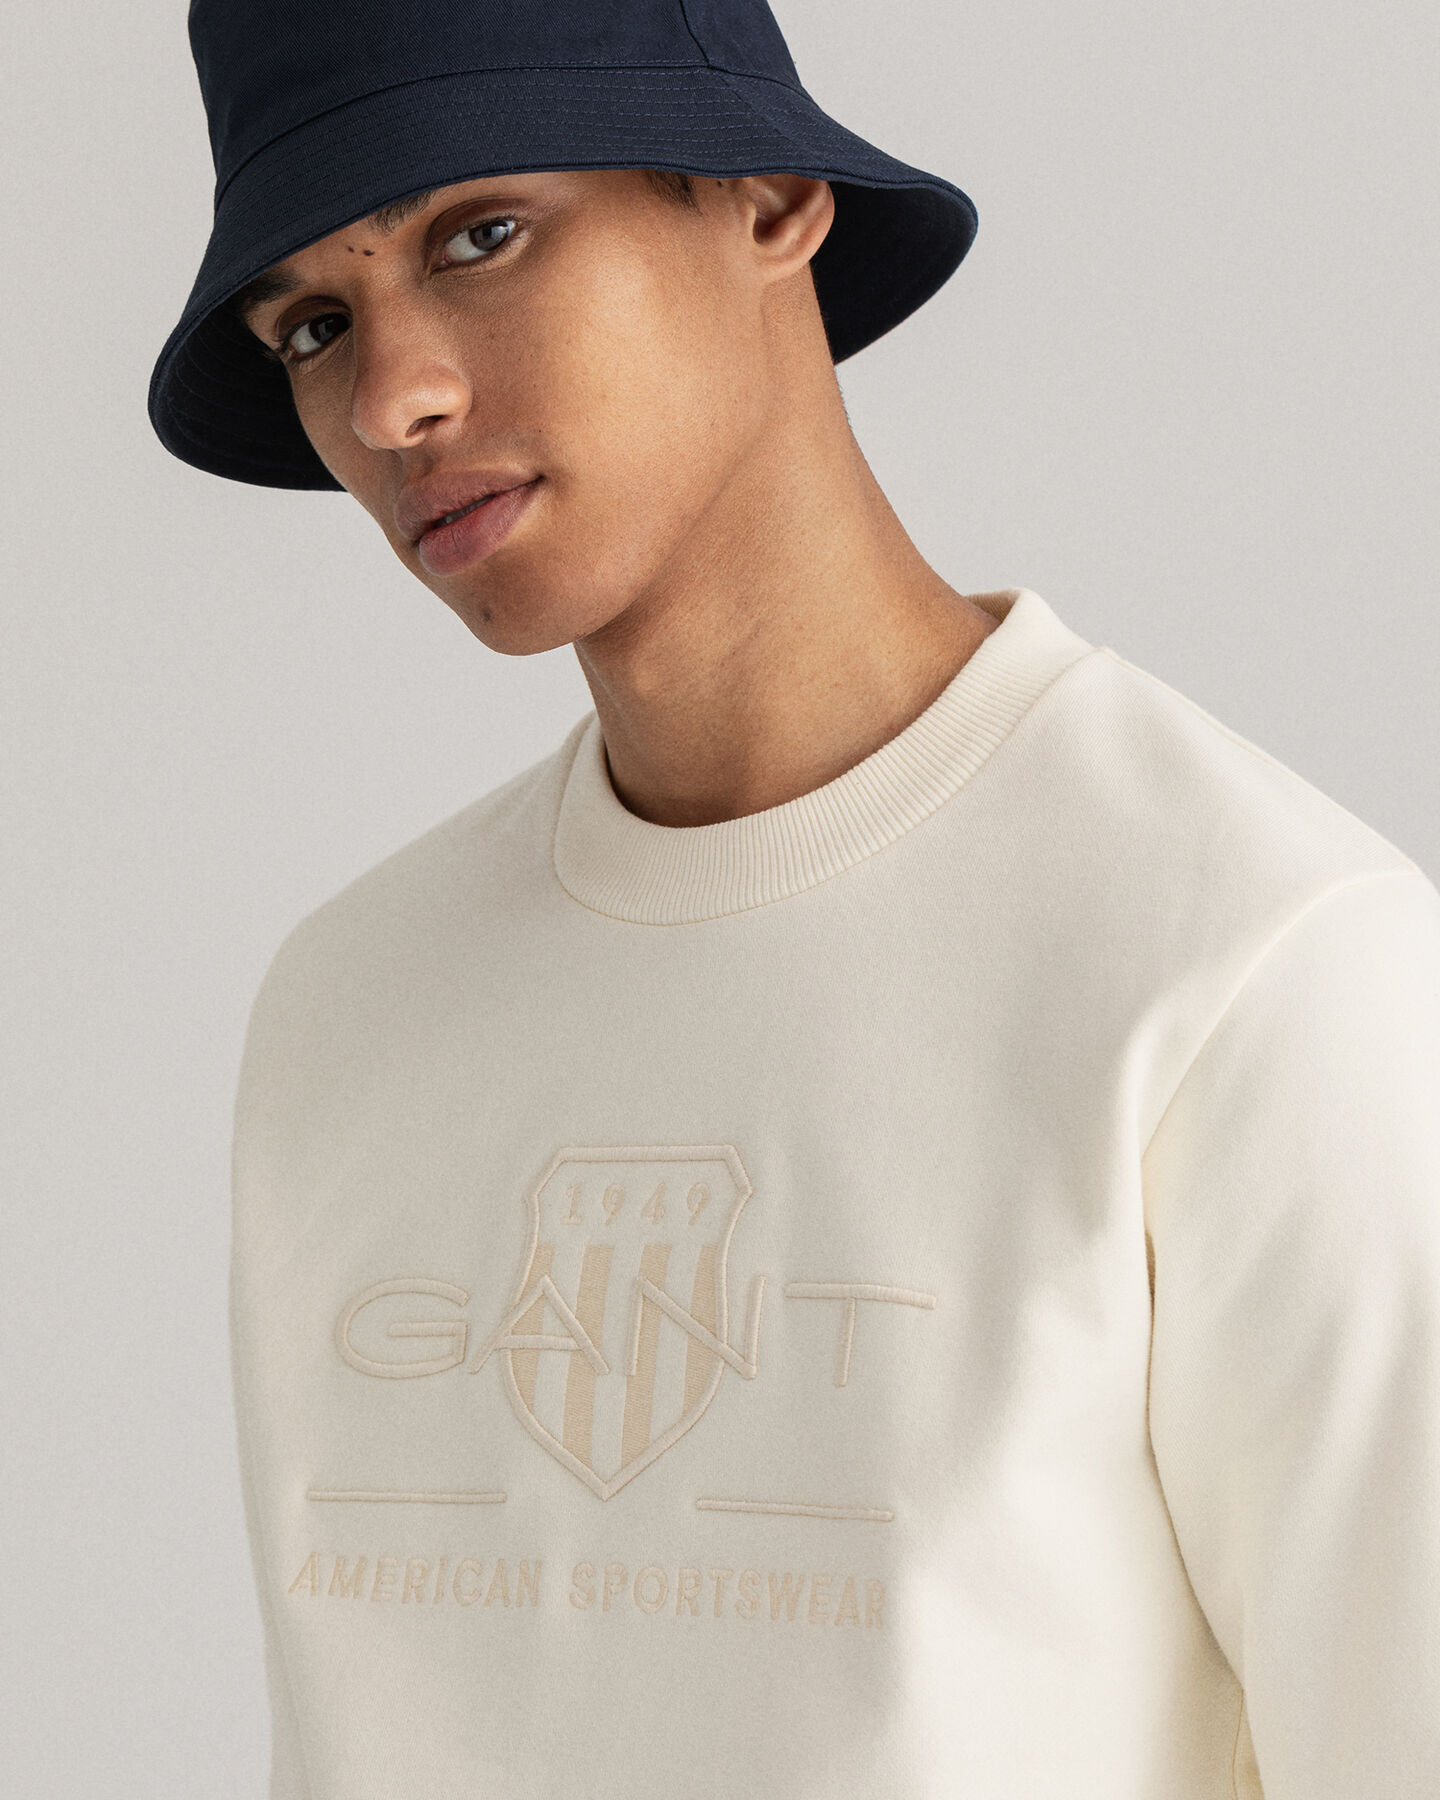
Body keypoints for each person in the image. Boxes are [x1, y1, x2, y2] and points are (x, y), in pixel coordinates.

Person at [149, 2, 1440, 1796]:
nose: (391, 401)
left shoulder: (1253, 970)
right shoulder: (351, 1009)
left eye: (481, 234)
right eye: (313, 324)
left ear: (766, 199)